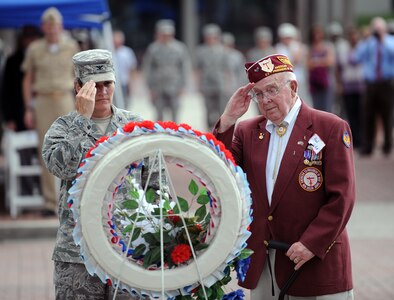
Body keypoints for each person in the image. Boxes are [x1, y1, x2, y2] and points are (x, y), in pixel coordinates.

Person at [213, 54, 355, 299]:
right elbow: (220, 173)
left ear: (293, 87)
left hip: (315, 261)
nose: (265, 100)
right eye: (258, 94)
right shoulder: (247, 132)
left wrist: (311, 243)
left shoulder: (330, 127)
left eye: (271, 90)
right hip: (264, 265)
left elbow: (342, 197)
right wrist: (228, 120)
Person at [42, 49, 159, 299]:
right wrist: (82, 119)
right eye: (95, 86)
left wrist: (157, 238)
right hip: (77, 254)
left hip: (129, 248)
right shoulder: (63, 128)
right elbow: (62, 168)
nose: (103, 92)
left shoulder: (135, 126)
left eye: (108, 84)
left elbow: (157, 187)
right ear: (78, 86)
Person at [22, 7, 79, 216]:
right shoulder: (35, 49)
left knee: (71, 146)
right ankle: (50, 202)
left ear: (60, 26)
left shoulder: (71, 46)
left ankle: (71, 198)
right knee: (45, 149)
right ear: (43, 27)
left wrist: (80, 104)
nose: (52, 29)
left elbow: (78, 77)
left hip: (65, 98)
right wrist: (29, 106)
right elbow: (28, 79)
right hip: (43, 100)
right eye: (48, 25)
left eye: (55, 25)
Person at [352, 17, 394, 156]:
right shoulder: (368, 42)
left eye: (379, 29)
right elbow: (356, 58)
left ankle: (387, 145)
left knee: (386, 115)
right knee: (367, 115)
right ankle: (367, 146)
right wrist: (368, 40)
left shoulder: (389, 41)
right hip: (370, 84)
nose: (377, 32)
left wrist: (382, 40)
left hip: (386, 83)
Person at [141, 19, 192, 123]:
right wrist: (150, 87)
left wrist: (183, 86)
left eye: (168, 34)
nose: (166, 37)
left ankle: (175, 135)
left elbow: (184, 68)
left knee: (175, 113)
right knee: (159, 114)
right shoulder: (153, 48)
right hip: (158, 86)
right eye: (163, 34)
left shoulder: (179, 48)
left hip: (175, 85)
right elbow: (147, 68)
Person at [195, 23, 230, 129]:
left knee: (222, 110)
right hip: (207, 84)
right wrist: (198, 85)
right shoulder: (201, 51)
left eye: (213, 37)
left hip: (220, 84)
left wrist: (227, 85)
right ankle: (209, 130)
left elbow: (227, 70)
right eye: (208, 37)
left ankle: (222, 130)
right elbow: (198, 70)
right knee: (209, 110)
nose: (211, 39)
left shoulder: (223, 51)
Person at [307, 24, 336, 113]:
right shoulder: (310, 48)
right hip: (315, 82)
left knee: (327, 107)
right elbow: (308, 64)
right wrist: (321, 62)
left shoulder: (327, 46)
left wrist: (316, 62)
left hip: (326, 81)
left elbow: (330, 61)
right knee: (316, 107)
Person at [113, 29, 137, 104]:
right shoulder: (109, 51)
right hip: (113, 82)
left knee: (125, 102)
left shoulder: (127, 52)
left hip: (124, 82)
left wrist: (131, 84)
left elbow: (131, 68)